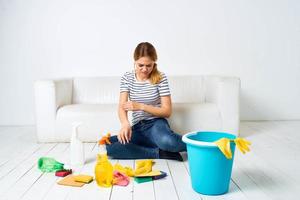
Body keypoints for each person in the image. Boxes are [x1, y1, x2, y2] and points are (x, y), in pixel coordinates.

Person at [106, 42, 186, 161]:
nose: (144, 69)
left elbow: (167, 111)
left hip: (156, 124)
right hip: (138, 127)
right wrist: (125, 124)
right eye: (140, 65)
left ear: (154, 63)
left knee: (168, 141)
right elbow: (122, 106)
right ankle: (159, 152)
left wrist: (141, 106)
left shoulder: (160, 78)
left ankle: (198, 144)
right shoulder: (127, 78)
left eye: (149, 65)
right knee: (111, 147)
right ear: (135, 62)